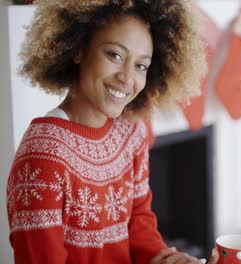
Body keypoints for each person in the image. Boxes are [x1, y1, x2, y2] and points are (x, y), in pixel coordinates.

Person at [6, 0, 219, 263]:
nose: (128, 79)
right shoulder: (42, 156)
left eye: (141, 65)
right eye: (115, 55)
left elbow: (139, 223)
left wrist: (164, 260)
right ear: (79, 49)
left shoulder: (131, 134)